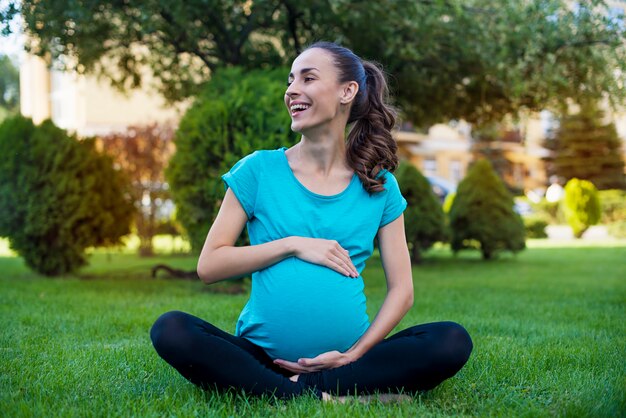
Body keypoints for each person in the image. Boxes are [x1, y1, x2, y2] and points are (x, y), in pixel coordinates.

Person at [150, 41, 473, 402]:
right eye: (290, 80)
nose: (291, 90)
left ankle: (294, 392)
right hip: (263, 358)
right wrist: (294, 245)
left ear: (346, 91)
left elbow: (403, 290)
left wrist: (355, 355)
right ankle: (337, 395)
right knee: (172, 329)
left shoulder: (378, 185)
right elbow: (209, 265)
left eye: (307, 78)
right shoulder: (258, 170)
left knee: (451, 339)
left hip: (345, 363)